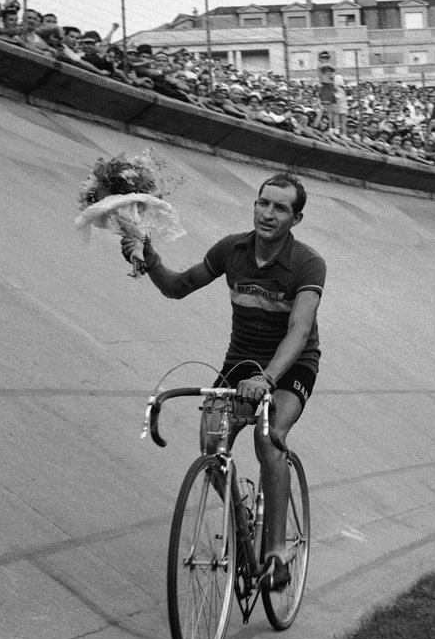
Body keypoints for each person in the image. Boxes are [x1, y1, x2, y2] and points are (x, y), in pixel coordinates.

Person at [122, 172, 325, 590]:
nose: (267, 213)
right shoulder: (231, 250)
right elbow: (178, 288)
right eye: (262, 202)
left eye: (280, 208)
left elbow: (299, 330)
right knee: (211, 441)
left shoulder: (307, 263)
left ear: (296, 219)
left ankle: (275, 555)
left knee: (269, 438)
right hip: (241, 361)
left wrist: (267, 378)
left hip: (290, 366)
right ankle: (241, 520)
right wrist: (150, 258)